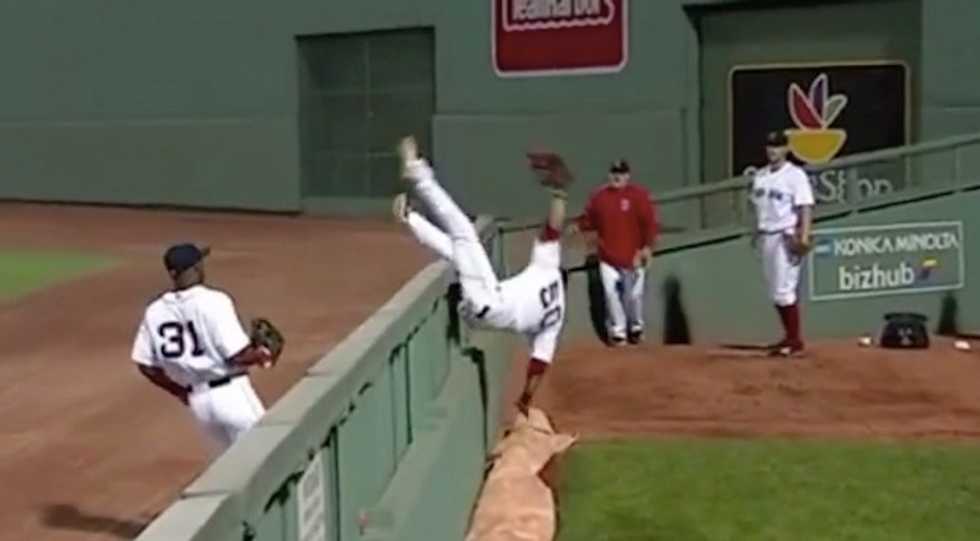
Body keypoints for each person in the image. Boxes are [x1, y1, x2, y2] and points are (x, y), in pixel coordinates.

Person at [392, 136, 567, 413]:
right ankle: (410, 217)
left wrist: (559, 192)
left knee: (464, 231)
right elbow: (539, 364)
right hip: (483, 312)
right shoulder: (555, 321)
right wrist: (525, 398)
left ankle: (417, 172)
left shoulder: (549, 269)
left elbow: (553, 229)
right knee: (462, 253)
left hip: (488, 300)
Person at [131, 243, 278, 452]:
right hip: (231, 395)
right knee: (268, 455)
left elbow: (145, 365)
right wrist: (262, 354)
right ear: (197, 268)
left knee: (227, 468)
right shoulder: (214, 300)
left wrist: (179, 392)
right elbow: (237, 355)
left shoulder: (155, 311)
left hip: (199, 403)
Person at [577, 159, 659, 346]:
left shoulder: (638, 195)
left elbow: (649, 224)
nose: (617, 176)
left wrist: (647, 248)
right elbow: (589, 220)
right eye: (614, 172)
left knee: (634, 296)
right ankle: (619, 331)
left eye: (621, 173)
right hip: (607, 256)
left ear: (627, 175)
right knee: (611, 294)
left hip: (634, 256)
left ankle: (636, 327)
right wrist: (576, 226)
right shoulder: (599, 197)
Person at [749, 131, 815, 357]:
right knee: (775, 291)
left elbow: (805, 207)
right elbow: (757, 207)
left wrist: (804, 236)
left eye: (777, 146)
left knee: (784, 290)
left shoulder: (795, 175)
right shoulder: (760, 176)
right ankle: (789, 336)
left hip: (785, 235)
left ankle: (794, 339)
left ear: (786, 149)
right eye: (770, 146)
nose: (772, 150)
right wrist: (755, 232)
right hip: (766, 235)